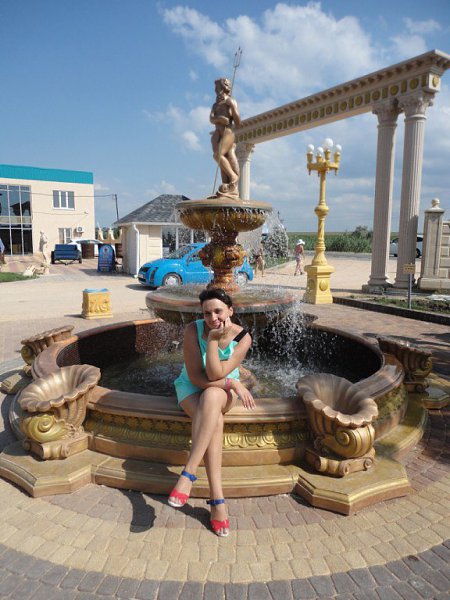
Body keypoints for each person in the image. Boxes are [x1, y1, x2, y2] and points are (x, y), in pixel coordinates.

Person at [170, 288, 254, 537]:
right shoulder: (192, 330)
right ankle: (218, 501)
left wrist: (214, 341)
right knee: (214, 418)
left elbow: (216, 373)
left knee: (213, 396)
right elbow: (198, 377)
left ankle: (189, 473)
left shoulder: (243, 338)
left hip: (220, 391)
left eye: (218, 311)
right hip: (191, 387)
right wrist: (233, 383)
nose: (212, 318)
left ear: (230, 310)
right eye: (207, 313)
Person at [210, 78, 241, 197]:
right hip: (217, 133)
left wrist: (232, 107)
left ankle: (233, 177)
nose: (215, 90)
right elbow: (211, 119)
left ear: (223, 88)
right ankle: (226, 185)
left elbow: (238, 122)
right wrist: (220, 119)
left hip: (228, 132)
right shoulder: (215, 105)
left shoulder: (230, 101)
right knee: (222, 158)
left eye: (217, 87)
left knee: (218, 155)